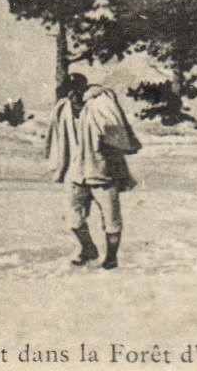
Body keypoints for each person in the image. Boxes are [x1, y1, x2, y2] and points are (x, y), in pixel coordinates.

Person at [44, 73, 139, 270]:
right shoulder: (64, 108)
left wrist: (104, 135)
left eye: (75, 91)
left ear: (83, 88)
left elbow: (116, 129)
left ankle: (111, 257)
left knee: (111, 217)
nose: (72, 96)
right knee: (72, 214)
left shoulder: (101, 103)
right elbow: (56, 134)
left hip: (102, 170)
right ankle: (88, 248)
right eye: (68, 92)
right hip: (76, 171)